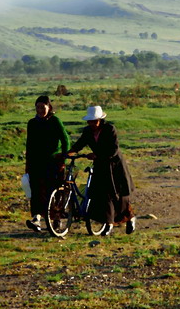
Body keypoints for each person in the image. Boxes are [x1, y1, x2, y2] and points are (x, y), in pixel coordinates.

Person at [68, 105, 136, 236]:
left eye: (94, 121)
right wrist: (69, 153)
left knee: (120, 195)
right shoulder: (88, 131)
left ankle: (130, 217)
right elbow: (80, 144)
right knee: (103, 196)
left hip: (115, 166)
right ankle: (108, 223)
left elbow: (113, 150)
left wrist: (97, 155)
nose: (92, 124)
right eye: (90, 121)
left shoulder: (110, 129)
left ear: (100, 120)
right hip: (100, 167)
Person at [25, 96, 70, 232]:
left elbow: (65, 140)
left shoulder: (55, 121)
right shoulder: (32, 123)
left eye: (42, 107)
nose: (40, 110)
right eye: (37, 107)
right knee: (36, 191)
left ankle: (56, 220)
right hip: (36, 163)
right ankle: (36, 218)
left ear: (49, 108)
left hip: (53, 163)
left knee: (54, 191)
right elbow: (29, 145)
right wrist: (27, 164)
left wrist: (63, 158)